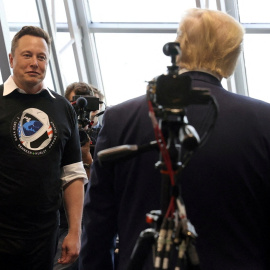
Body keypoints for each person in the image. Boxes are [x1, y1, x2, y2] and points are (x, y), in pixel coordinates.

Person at [79, 8, 270, 270]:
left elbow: (97, 224)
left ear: (179, 48)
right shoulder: (263, 121)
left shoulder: (119, 119)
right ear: (231, 55)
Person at [0, 26, 88, 270]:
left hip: (44, 235)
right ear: (11, 58)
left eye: (41, 57)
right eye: (27, 55)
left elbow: (73, 174)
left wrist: (74, 231)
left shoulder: (63, 108)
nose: (34, 63)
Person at [53, 82, 94, 270]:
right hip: (60, 221)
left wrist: (87, 158)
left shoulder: (101, 136)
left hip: (91, 221)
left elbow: (101, 186)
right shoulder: (56, 134)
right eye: (75, 104)